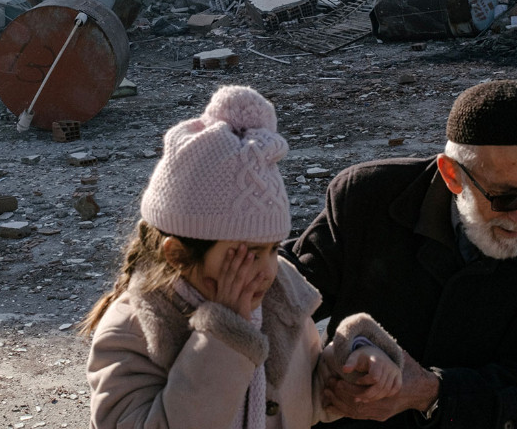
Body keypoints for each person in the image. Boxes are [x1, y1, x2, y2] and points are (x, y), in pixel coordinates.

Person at [286, 80, 517, 428]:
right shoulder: (366, 200)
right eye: (506, 198)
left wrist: (430, 393)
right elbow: (284, 286)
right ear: (452, 175)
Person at [84, 85, 406, 429]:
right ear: (178, 254)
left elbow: (303, 401)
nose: (267, 269)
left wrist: (353, 361)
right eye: (246, 254)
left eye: (271, 248)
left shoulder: (280, 304)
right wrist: (224, 336)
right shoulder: (134, 332)